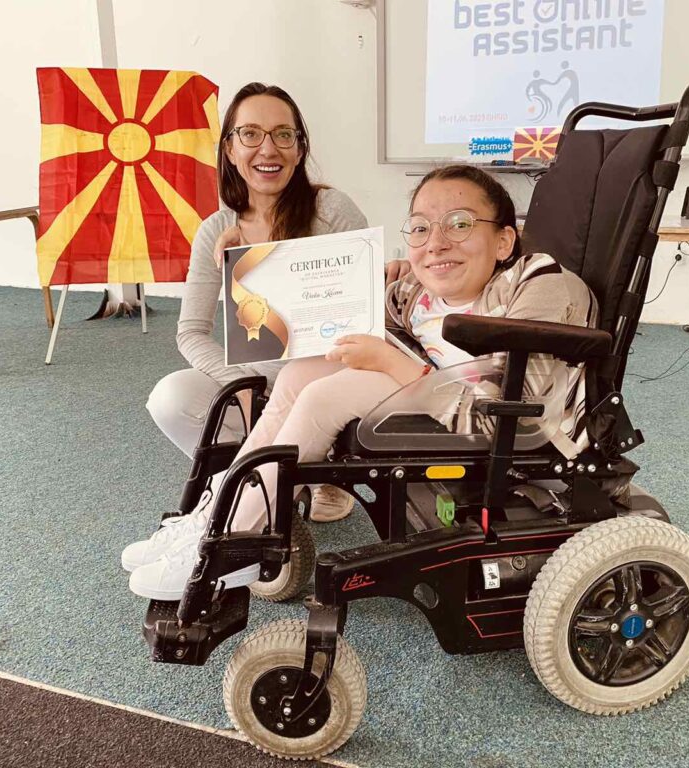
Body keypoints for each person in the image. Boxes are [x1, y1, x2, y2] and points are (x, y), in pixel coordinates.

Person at [126, 164, 598, 600]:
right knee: (300, 374)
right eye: (420, 228)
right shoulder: (417, 290)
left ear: (503, 242)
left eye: (459, 224)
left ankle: (239, 540)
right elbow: (337, 311)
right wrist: (249, 272)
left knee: (326, 396)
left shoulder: (542, 285)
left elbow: (508, 419)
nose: (435, 243)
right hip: (430, 390)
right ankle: (214, 518)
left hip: (499, 422)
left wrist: (392, 362)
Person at [141, 83, 370, 560]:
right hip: (257, 379)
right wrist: (238, 379)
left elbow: (366, 318)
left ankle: (312, 481)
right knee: (171, 397)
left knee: (313, 395)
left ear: (301, 146)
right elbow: (190, 331)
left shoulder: (332, 211)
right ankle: (268, 491)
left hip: (326, 376)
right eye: (250, 134)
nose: (269, 149)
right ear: (229, 147)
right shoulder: (214, 231)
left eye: (284, 134)